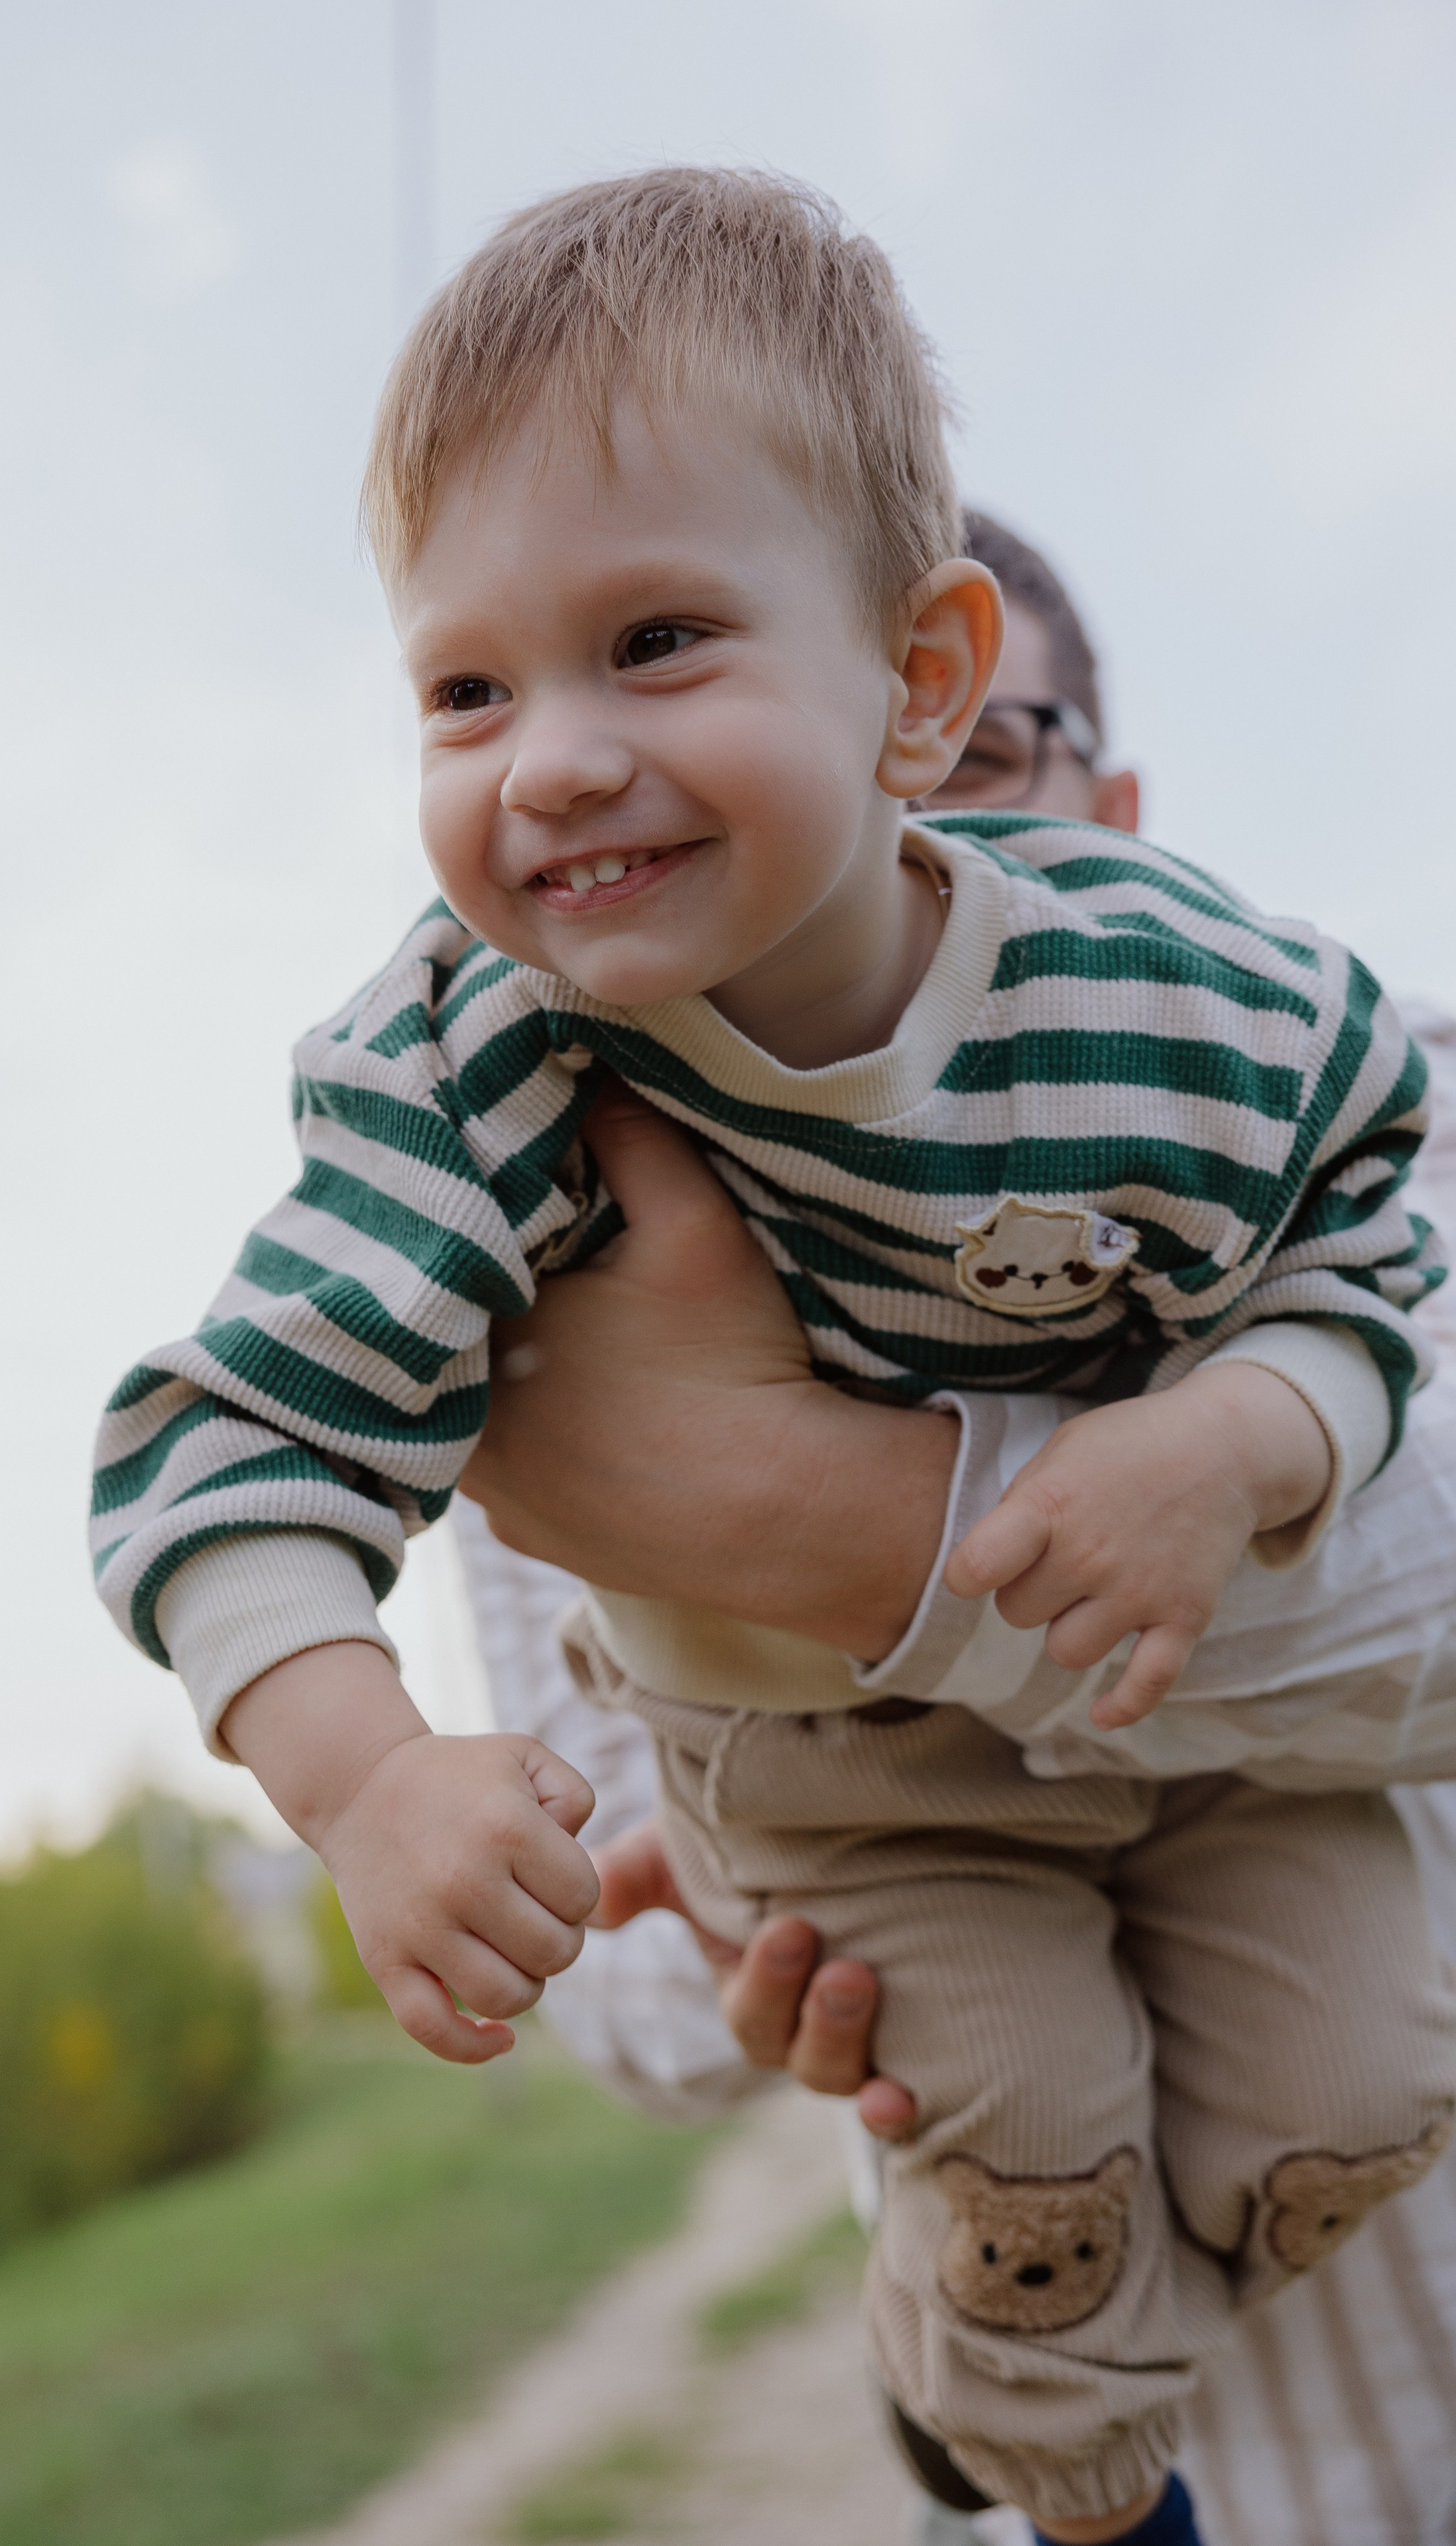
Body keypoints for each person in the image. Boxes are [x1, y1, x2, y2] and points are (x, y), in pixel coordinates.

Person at [89, 172, 1456, 2545]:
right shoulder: (492, 1100)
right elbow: (233, 1443)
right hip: (850, 1806)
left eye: (659, 641)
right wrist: (377, 1783)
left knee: (1362, 2079)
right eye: (465, 687)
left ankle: (1140, 2284)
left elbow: (1374, 1236)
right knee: (1032, 2135)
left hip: (1266, 1851)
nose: (549, 764)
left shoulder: (1206, 1008)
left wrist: (1226, 1441)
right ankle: (1048, 2431)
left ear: (926, 695)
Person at [454, 510, 1456, 2542]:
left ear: (1120, 796)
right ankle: (1020, 2397)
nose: (914, 847)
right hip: (1059, 2371)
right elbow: (630, 2005)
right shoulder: (559, 1278)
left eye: (982, 756)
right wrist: (747, 1905)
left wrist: (845, 1530)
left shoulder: (1361, 1102)